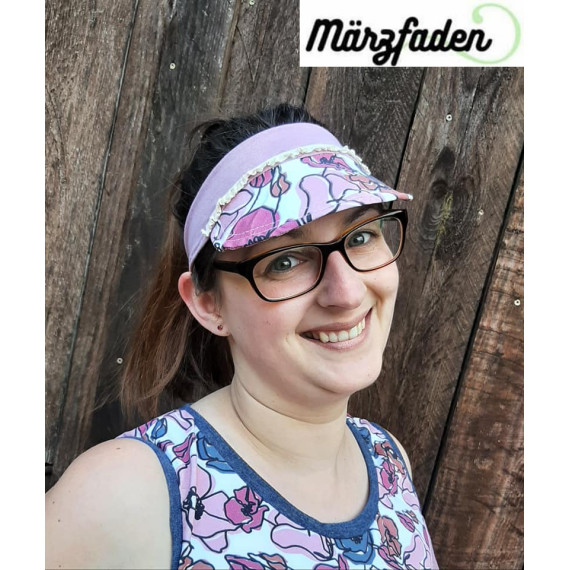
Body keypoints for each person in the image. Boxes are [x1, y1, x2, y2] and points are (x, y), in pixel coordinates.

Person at [45, 104, 439, 570]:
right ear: (208, 304)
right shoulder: (125, 494)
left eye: (360, 236)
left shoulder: (387, 460)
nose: (347, 292)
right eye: (285, 261)